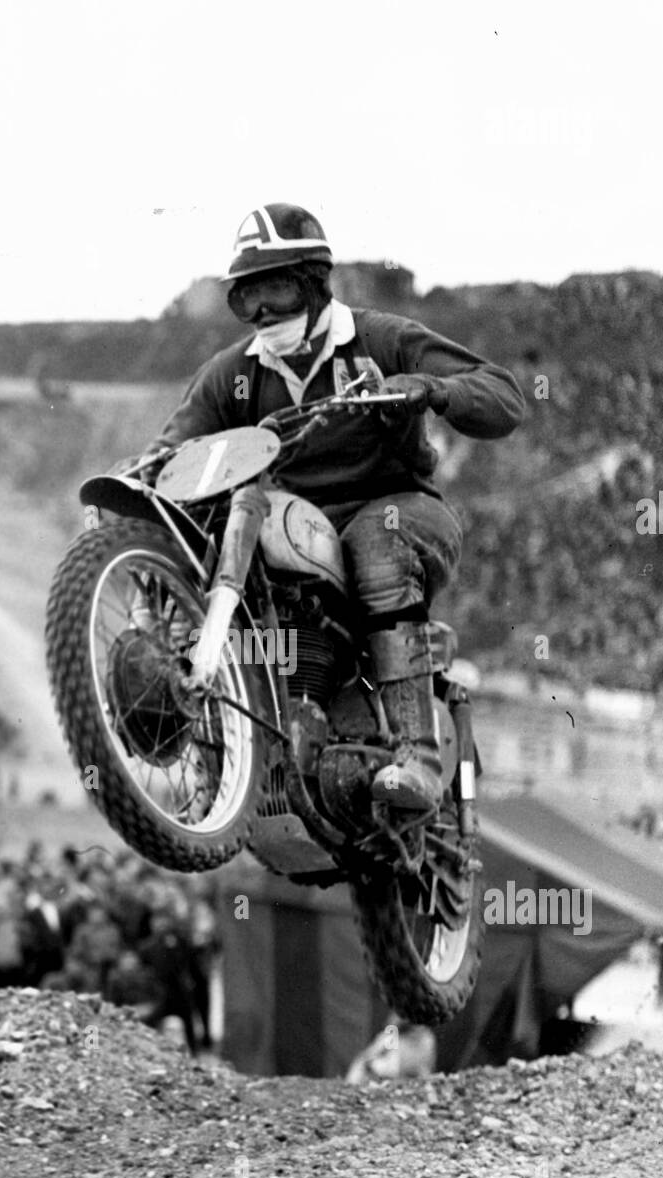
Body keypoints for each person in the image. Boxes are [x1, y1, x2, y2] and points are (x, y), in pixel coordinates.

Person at [138, 203, 524, 815]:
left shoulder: (379, 338)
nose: (263, 311)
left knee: (374, 543)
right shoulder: (231, 375)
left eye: (278, 291)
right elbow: (173, 443)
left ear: (315, 286)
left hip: (399, 511)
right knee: (210, 533)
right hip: (295, 525)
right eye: (248, 297)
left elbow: (503, 394)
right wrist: (145, 472)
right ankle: (219, 740)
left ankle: (416, 755)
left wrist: (430, 389)